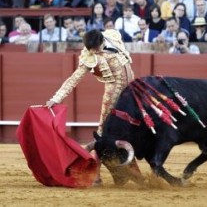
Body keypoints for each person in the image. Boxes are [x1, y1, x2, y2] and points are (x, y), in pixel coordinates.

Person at [45, 29, 140, 185]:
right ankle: (95, 174)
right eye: (92, 50)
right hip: (113, 95)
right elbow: (73, 79)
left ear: (102, 41)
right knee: (103, 133)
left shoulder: (112, 36)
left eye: (96, 48)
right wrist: (56, 98)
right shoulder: (89, 56)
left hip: (131, 92)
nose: (94, 52)